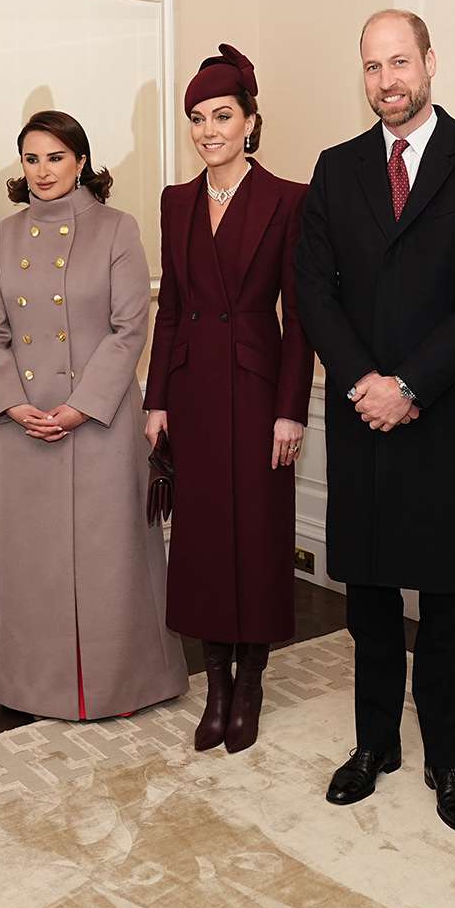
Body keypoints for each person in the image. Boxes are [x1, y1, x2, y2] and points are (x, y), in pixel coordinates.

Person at [295, 10, 455, 834]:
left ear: (430, 62)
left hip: (447, 413)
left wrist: (412, 384)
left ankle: (447, 761)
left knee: (448, 602)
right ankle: (372, 746)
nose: (386, 80)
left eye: (399, 62)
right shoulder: (336, 168)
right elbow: (313, 289)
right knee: (370, 595)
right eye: (371, 67)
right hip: (362, 414)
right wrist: (364, 381)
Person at [0, 110, 189, 721]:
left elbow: (129, 329)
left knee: (114, 556)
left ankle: (130, 684)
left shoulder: (117, 229)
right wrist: (15, 404)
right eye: (32, 159)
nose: (42, 171)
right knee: (35, 562)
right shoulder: (1, 237)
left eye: (55, 157)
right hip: (27, 426)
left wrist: (79, 407)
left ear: (82, 162)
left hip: (102, 419)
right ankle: (34, 687)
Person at [145, 44, 313, 754]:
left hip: (257, 385)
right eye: (196, 118)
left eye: (221, 115)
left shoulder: (289, 199)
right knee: (205, 540)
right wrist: (156, 399)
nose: (207, 129)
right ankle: (214, 682)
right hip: (190, 390)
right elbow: (171, 305)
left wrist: (292, 409)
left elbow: (301, 315)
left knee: (258, 537)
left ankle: (251, 683)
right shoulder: (176, 201)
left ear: (250, 121)